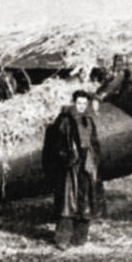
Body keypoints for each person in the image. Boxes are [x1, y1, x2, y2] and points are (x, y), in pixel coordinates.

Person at [48, 90, 101, 249]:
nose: (81, 106)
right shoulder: (65, 120)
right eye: (79, 103)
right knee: (67, 201)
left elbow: (93, 142)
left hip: (86, 162)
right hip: (72, 164)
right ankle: (62, 239)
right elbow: (57, 143)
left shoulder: (89, 120)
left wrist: (93, 161)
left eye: (84, 104)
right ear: (73, 103)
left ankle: (80, 238)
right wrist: (67, 158)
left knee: (84, 200)